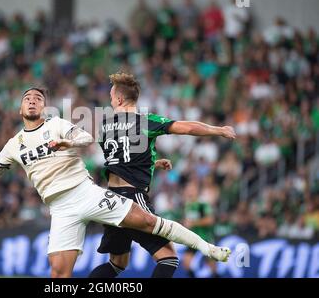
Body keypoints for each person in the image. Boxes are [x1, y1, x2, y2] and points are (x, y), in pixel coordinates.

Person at [0, 87, 231, 278]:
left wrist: (66, 142)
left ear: (45, 107)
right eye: (27, 98)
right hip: (59, 208)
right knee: (58, 274)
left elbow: (87, 138)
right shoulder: (13, 145)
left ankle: (208, 249)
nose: (32, 100)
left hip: (85, 192)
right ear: (20, 109)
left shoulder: (57, 124)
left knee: (147, 221)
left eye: (38, 98)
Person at [89, 73, 237, 278]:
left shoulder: (105, 126)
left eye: (112, 97)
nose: (111, 101)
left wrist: (153, 163)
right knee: (169, 258)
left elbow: (120, 158)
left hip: (110, 198)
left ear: (120, 99)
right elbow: (186, 128)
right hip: (132, 197)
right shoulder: (144, 121)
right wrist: (218, 130)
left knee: (117, 264)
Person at [182, 181, 218, 278]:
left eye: (192, 189)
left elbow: (210, 220)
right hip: (192, 239)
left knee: (211, 266)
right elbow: (187, 221)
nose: (189, 191)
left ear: (197, 191)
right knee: (186, 262)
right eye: (188, 189)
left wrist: (193, 223)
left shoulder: (202, 204)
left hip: (205, 237)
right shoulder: (188, 205)